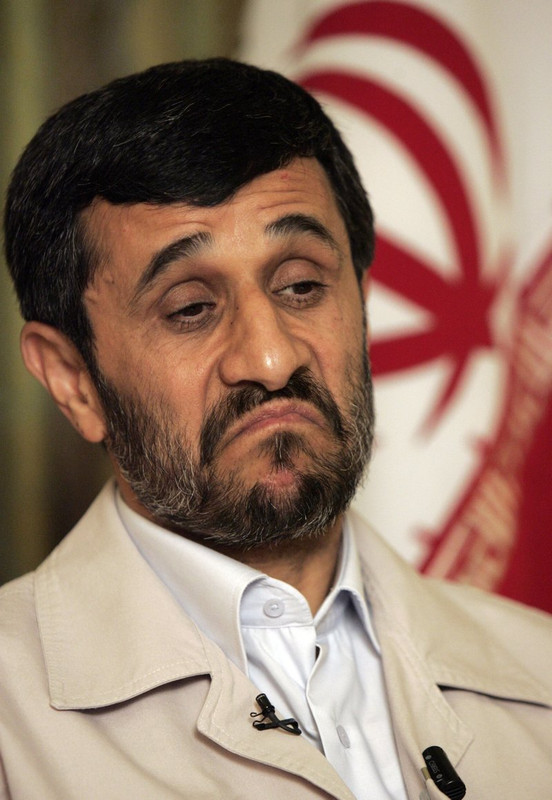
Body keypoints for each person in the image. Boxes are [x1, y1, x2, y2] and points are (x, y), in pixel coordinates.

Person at [1, 58, 551, 800]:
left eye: (301, 286)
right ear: (73, 379)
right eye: (191, 309)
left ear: (361, 303)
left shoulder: (539, 675)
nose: (270, 357)